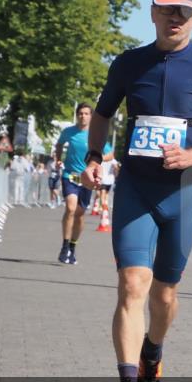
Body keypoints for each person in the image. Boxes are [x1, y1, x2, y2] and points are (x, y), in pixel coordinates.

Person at [81, 0, 192, 382]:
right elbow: (103, 114)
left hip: (183, 194)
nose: (175, 17)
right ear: (152, 12)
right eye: (167, 9)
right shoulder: (129, 63)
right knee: (132, 283)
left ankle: (153, 350)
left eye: (183, 12)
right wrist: (94, 156)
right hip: (136, 188)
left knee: (165, 295)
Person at [55, 104, 112, 264]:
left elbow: (110, 154)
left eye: (86, 113)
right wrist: (58, 159)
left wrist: (97, 158)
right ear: (77, 115)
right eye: (80, 113)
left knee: (80, 214)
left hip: (87, 178)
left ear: (91, 116)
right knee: (70, 208)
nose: (83, 116)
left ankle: (72, 246)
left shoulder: (95, 135)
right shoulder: (69, 132)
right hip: (70, 175)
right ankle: (65, 246)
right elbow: (59, 144)